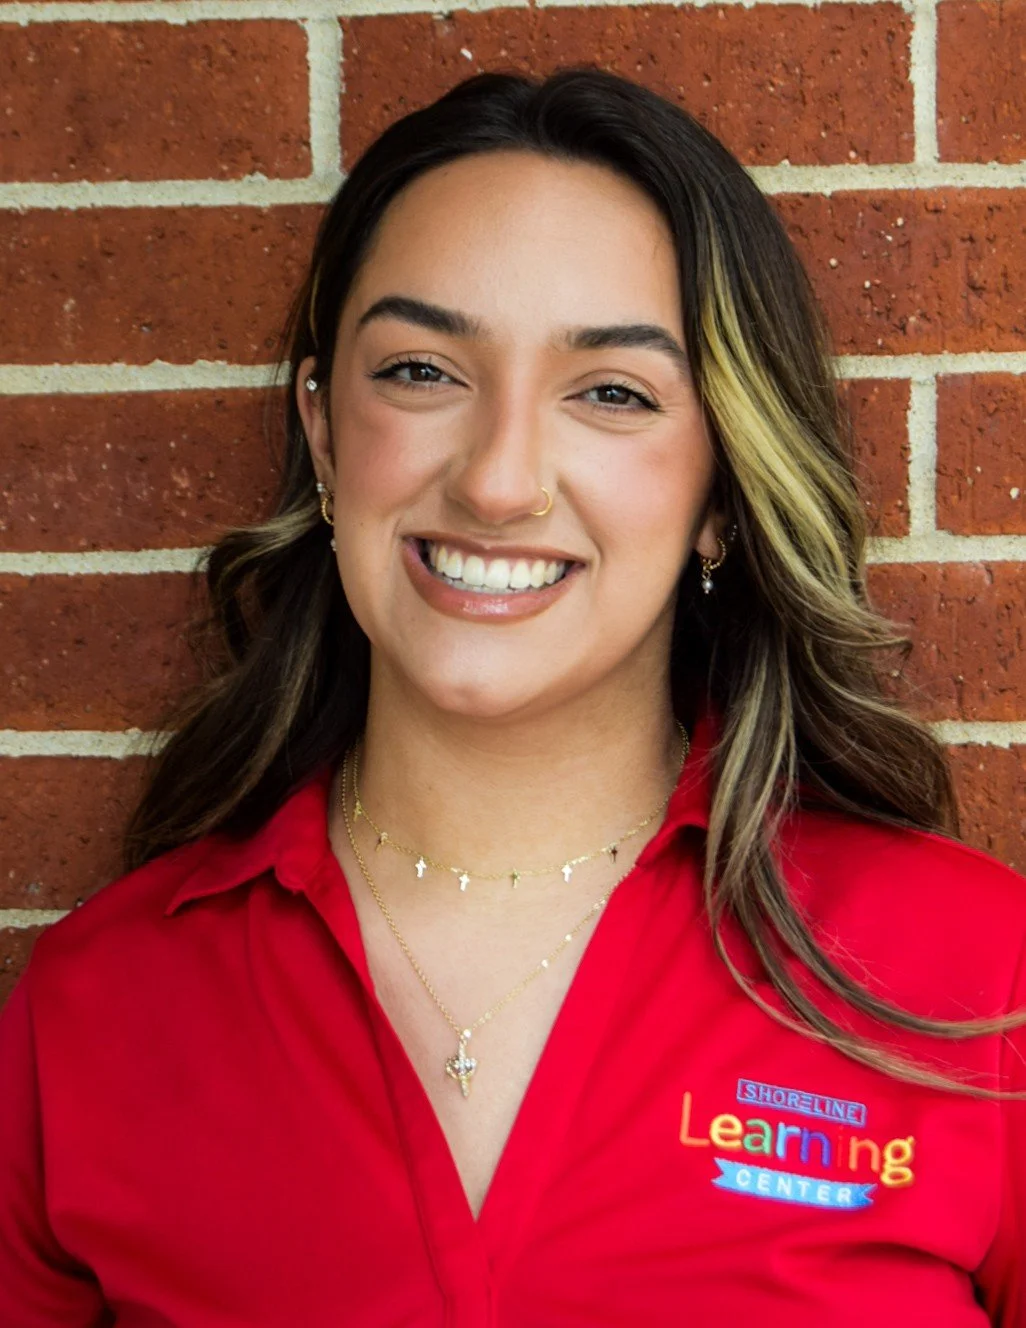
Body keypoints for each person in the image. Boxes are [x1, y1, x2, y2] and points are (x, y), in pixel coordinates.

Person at [0, 67, 1023, 1327]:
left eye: (611, 392)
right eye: (424, 371)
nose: (496, 480)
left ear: (719, 485)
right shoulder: (100, 1006)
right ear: (323, 434)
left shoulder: (976, 977)